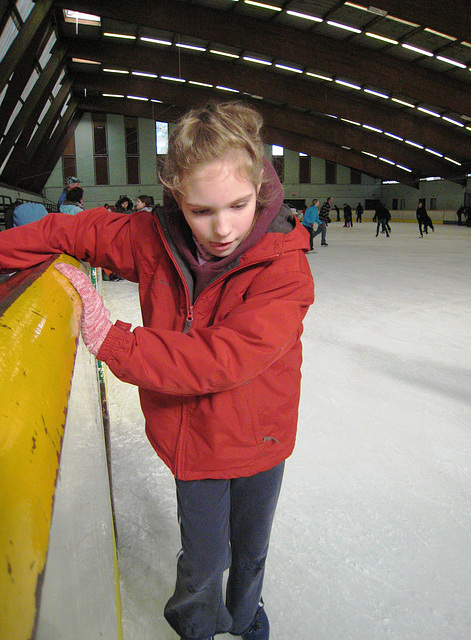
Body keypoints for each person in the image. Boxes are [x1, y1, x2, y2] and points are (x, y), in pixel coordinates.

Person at [0, 101, 314, 640]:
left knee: (251, 546)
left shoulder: (285, 267)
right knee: (203, 556)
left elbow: (222, 358)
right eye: (201, 211)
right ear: (176, 198)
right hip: (195, 441)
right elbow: (76, 233)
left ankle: (244, 616)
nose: (221, 228)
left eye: (238, 206)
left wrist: (111, 339)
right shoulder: (154, 239)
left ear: (260, 188)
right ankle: (195, 623)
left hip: (261, 436)